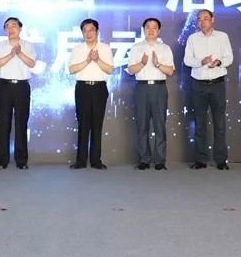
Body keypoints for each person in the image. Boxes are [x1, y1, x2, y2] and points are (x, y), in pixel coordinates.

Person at [182, 9, 234, 171]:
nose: (202, 21)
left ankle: (221, 160)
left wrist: (218, 62)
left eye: (205, 18)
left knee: (220, 123)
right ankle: (200, 159)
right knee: (200, 123)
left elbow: (229, 57)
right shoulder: (192, 38)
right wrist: (202, 61)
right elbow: (187, 60)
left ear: (213, 19)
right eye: (199, 19)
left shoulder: (222, 36)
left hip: (217, 84)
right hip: (199, 85)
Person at [125, 18, 174, 171]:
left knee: (160, 125)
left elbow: (170, 71)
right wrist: (142, 63)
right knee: (142, 125)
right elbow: (131, 71)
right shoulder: (136, 48)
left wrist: (158, 64)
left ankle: (160, 160)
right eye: (148, 27)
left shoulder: (165, 48)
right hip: (142, 88)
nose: (151, 30)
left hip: (159, 88)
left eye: (154, 27)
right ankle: (144, 159)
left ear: (159, 31)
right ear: (144, 30)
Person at [68, 18, 114, 169]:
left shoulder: (105, 48)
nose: (88, 33)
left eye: (91, 30)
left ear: (97, 31)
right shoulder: (77, 49)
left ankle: (96, 160)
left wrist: (97, 59)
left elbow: (110, 69)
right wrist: (87, 61)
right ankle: (81, 161)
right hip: (83, 88)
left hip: (99, 88)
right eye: (85, 30)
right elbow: (72, 70)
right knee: (83, 124)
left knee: (97, 125)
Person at [0, 17, 36, 170]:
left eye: (13, 26)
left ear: (20, 29)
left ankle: (21, 161)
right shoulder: (0, 45)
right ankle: (2, 160)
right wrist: (11, 54)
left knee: (21, 123)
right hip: (4, 86)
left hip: (22, 86)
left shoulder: (28, 45)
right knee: (3, 123)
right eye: (7, 27)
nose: (10, 29)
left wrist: (19, 52)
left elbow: (32, 63)